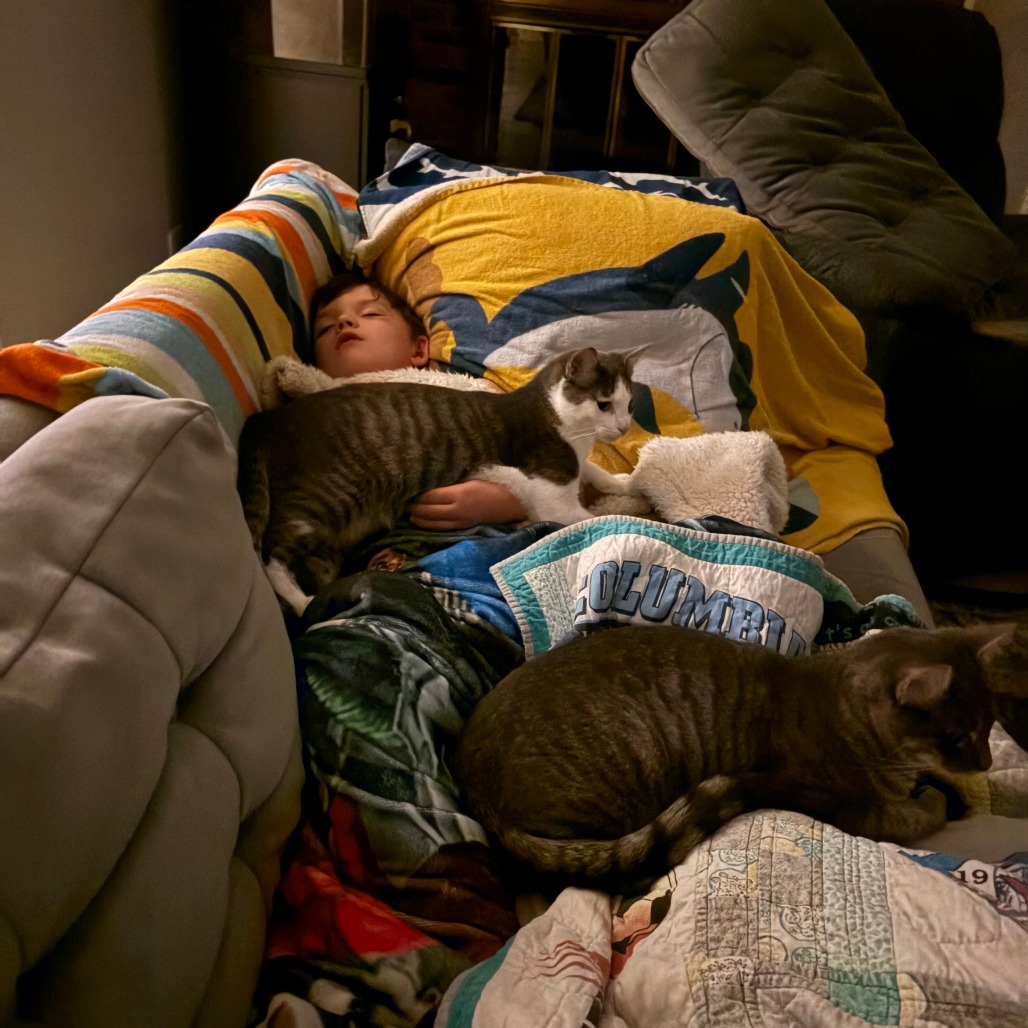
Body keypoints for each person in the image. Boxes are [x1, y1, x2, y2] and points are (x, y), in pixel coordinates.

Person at [309, 271, 527, 530]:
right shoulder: (313, 407)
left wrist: (509, 502)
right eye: (325, 329)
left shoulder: (458, 391)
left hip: (487, 537)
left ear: (419, 349)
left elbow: (547, 461)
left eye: (370, 314)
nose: (343, 322)